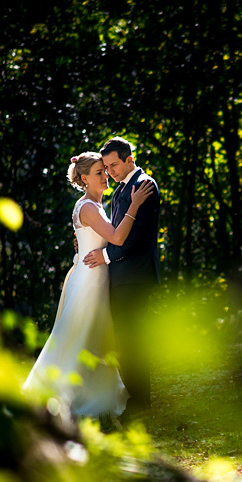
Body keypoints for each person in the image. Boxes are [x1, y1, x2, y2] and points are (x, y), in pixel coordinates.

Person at [23, 151, 154, 417]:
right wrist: (135, 203)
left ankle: (97, 392)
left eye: (105, 170)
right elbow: (117, 238)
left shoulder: (95, 207)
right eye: (99, 172)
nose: (105, 175)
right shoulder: (88, 207)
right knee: (79, 337)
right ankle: (66, 396)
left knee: (96, 337)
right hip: (89, 282)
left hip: (97, 278)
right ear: (84, 178)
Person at [83, 137, 161, 415]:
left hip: (135, 276)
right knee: (125, 340)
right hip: (121, 276)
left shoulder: (145, 186)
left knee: (134, 340)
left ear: (130, 159)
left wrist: (105, 256)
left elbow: (137, 239)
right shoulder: (122, 189)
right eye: (106, 167)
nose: (110, 172)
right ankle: (134, 397)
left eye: (114, 165)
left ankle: (141, 402)